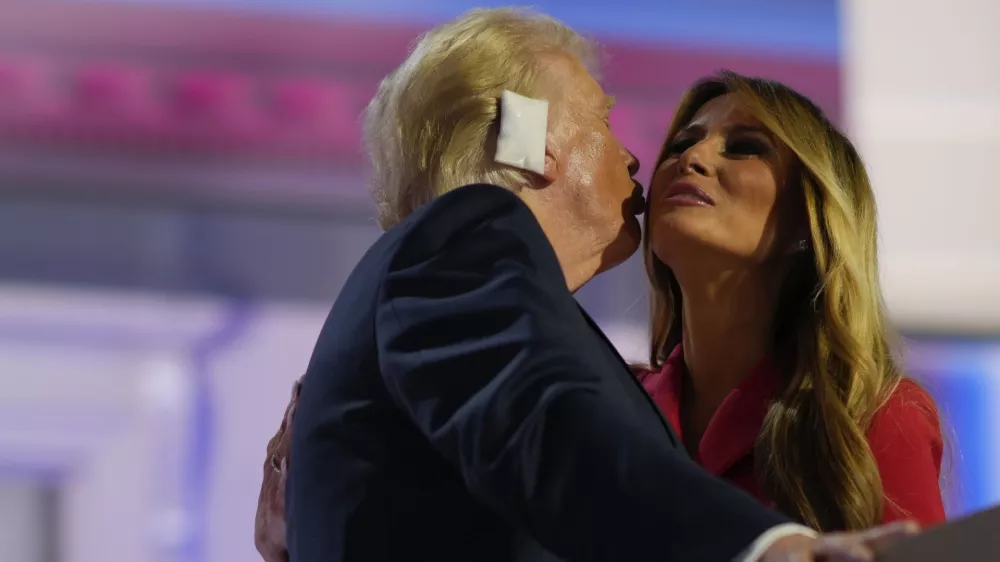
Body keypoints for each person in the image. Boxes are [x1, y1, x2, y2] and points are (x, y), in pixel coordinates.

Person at [260, 8, 920, 562]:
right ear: (534, 140)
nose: (639, 158)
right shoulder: (467, 231)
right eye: (603, 121)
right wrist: (761, 548)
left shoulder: (449, 296)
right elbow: (542, 417)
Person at [635, 71, 946, 531]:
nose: (692, 157)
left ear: (808, 220)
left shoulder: (873, 417)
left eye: (744, 146)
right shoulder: (613, 404)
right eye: (681, 144)